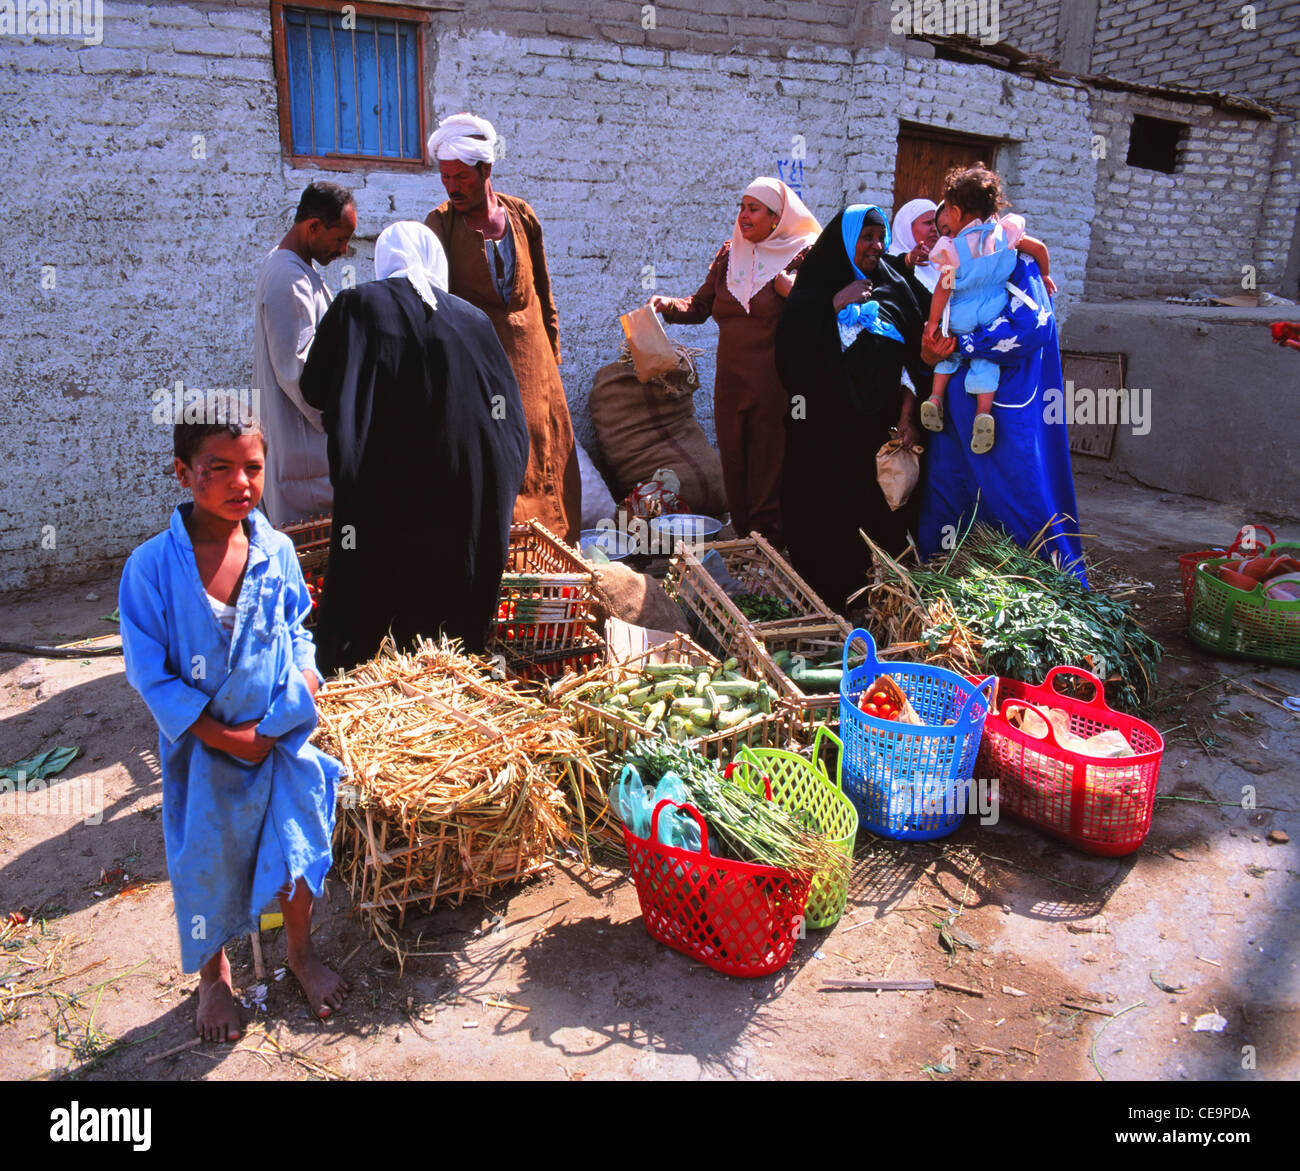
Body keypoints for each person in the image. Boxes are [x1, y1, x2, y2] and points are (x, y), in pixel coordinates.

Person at [118, 411, 347, 1042]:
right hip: (206, 750)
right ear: (183, 473)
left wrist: (302, 685)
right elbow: (151, 673)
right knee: (209, 864)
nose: (239, 483)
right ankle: (214, 977)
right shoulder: (150, 569)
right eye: (218, 469)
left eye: (252, 468)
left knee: (298, 847)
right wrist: (225, 738)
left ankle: (298, 951)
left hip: (279, 737)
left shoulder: (276, 551)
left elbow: (299, 628)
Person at [299, 222, 529, 674]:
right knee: (452, 591)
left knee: (381, 577)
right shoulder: (474, 319)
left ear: (384, 260)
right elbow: (507, 413)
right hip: (470, 485)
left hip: (386, 484)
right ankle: (454, 669)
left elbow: (314, 386)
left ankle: (364, 671)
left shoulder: (355, 304)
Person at [424, 113, 580, 545]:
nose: (452, 186)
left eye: (461, 177)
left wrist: (552, 356)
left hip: (536, 367)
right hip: (482, 372)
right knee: (501, 464)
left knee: (548, 457)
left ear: (486, 170)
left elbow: (543, 291)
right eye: (445, 177)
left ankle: (559, 561)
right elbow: (434, 310)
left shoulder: (521, 215)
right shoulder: (439, 226)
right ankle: (510, 566)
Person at [776, 205, 931, 612]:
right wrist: (832, 307)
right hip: (822, 439)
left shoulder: (893, 291)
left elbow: (911, 363)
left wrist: (907, 417)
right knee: (823, 519)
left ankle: (875, 605)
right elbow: (791, 360)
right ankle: (824, 604)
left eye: (881, 238)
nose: (876, 247)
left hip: (876, 437)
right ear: (845, 240)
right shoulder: (811, 295)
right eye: (866, 237)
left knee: (878, 521)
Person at [649, 177, 820, 544]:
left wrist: (792, 292)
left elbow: (818, 314)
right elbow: (700, 306)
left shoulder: (800, 256)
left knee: (767, 462)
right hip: (730, 383)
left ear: (777, 218)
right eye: (741, 207)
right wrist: (668, 306)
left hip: (774, 382)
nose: (743, 215)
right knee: (734, 458)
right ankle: (743, 537)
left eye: (753, 208)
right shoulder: (731, 255)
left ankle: (768, 545)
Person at [920, 164, 1056, 454]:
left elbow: (943, 287)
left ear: (955, 211)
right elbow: (1040, 249)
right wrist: (1043, 276)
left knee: (949, 354)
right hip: (993, 313)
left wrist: (933, 324)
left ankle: (935, 398)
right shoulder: (1005, 235)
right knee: (986, 361)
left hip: (960, 314)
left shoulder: (952, 248)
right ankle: (984, 414)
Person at [253, 181, 356, 527]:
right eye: (340, 238)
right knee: (309, 555)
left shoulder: (292, 268)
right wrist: (342, 424)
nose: (343, 250)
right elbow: (300, 374)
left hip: (299, 445)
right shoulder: (288, 277)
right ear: (313, 227)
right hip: (303, 449)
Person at [891, 198, 942, 293]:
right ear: (907, 228)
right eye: (928, 222)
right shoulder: (891, 264)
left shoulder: (941, 262)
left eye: (937, 223)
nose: (935, 229)